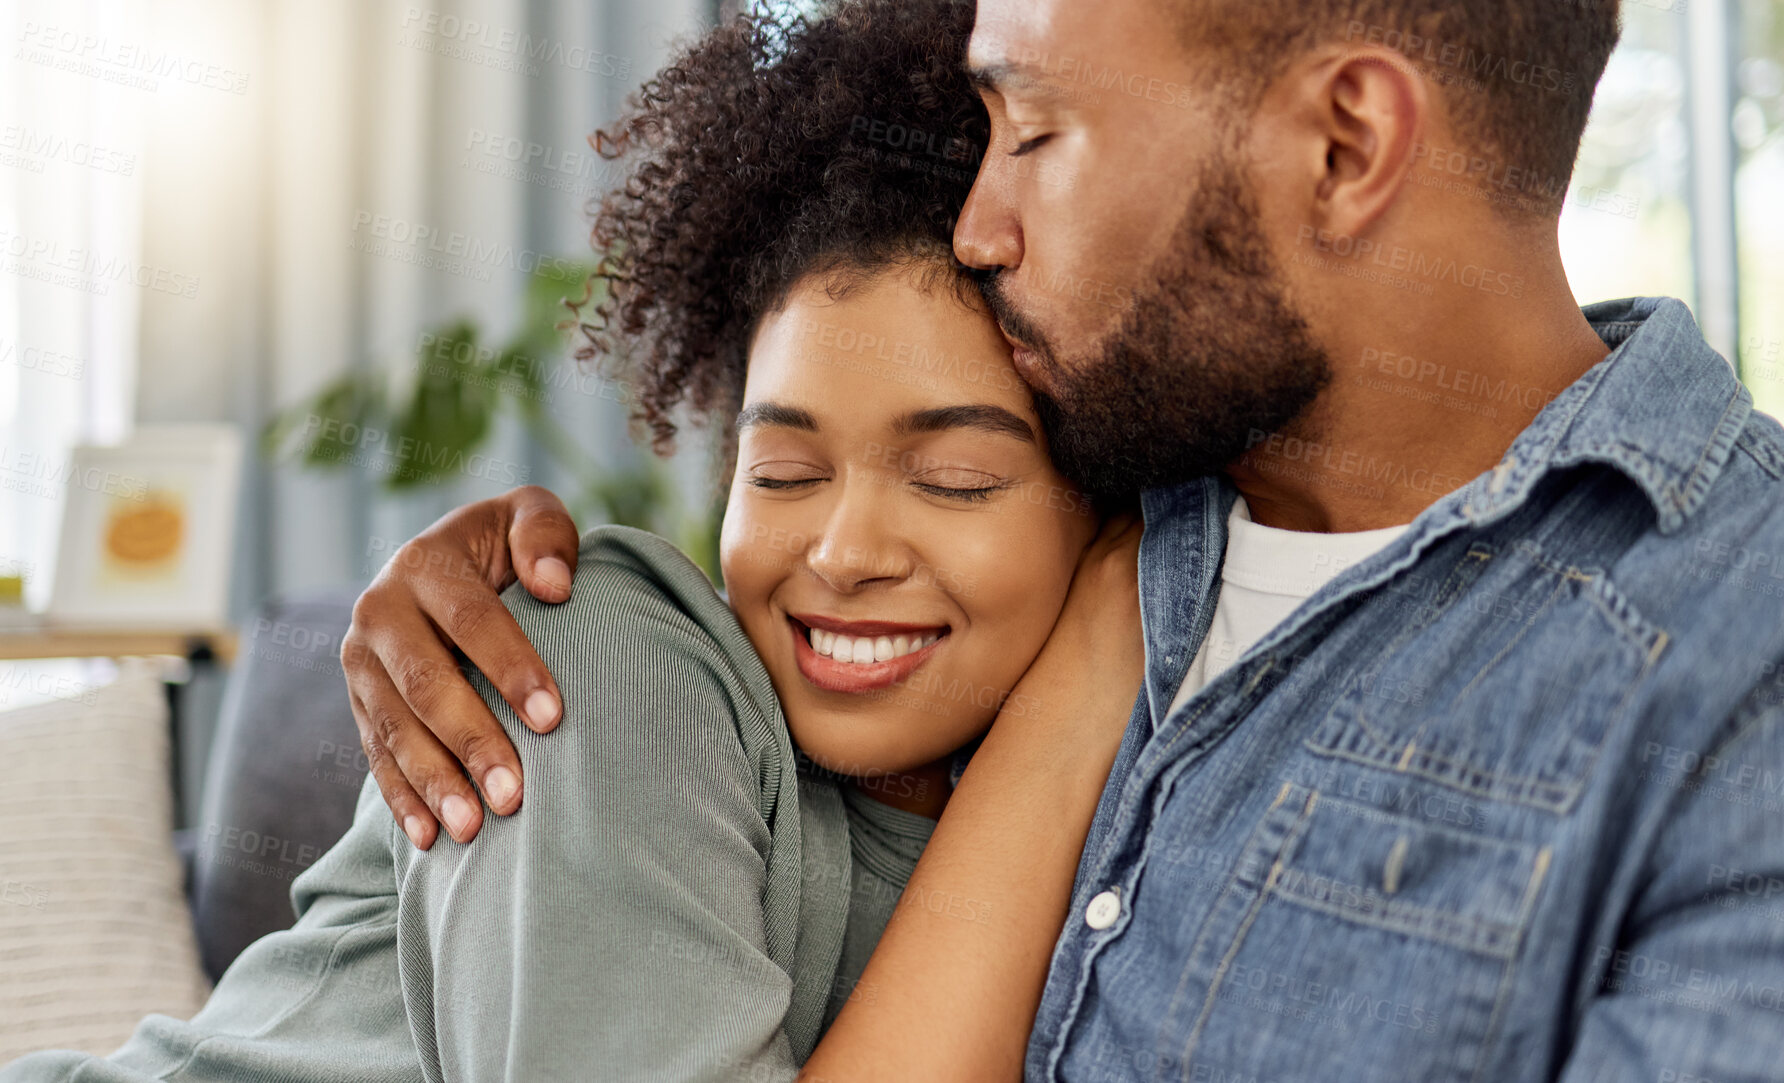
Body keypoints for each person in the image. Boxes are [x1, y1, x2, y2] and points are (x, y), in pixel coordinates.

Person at [352, 0, 1784, 1080]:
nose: (978, 223)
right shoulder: (1105, 504)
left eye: (1034, 129)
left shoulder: (1777, 640)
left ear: (1343, 145)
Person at [0, 2, 1150, 1080]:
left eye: (953, 481)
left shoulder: (1138, 810)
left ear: (1105, 502)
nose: (842, 552)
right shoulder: (595, 664)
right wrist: (1075, 705)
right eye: (784, 472)